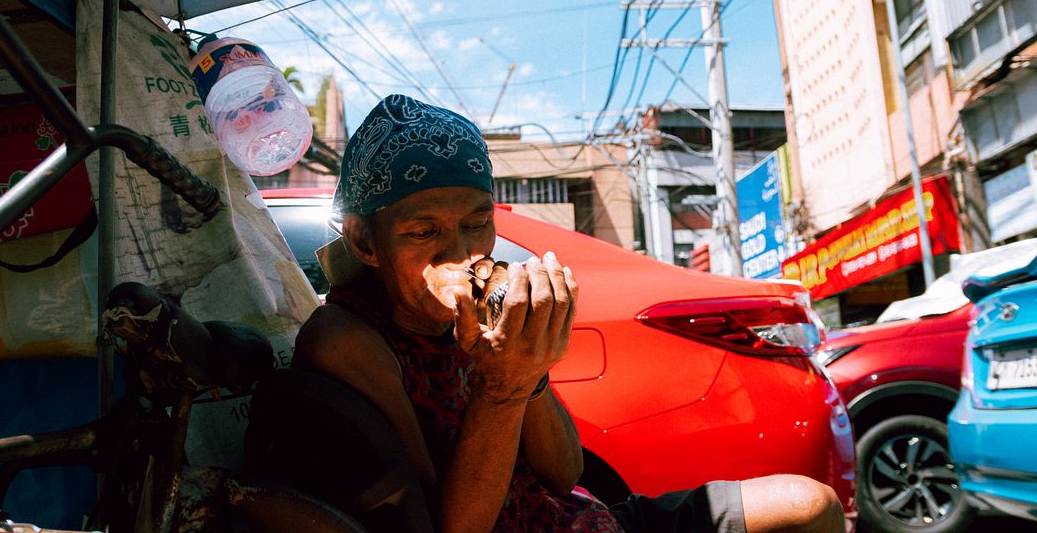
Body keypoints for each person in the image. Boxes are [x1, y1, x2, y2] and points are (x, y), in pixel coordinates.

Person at [294, 94, 844, 533]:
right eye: (423, 231)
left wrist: (528, 371)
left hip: (571, 516)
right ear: (366, 241)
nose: (462, 253)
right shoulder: (349, 340)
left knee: (808, 504)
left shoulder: (485, 306)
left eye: (476, 223)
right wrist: (500, 388)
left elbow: (563, 474)